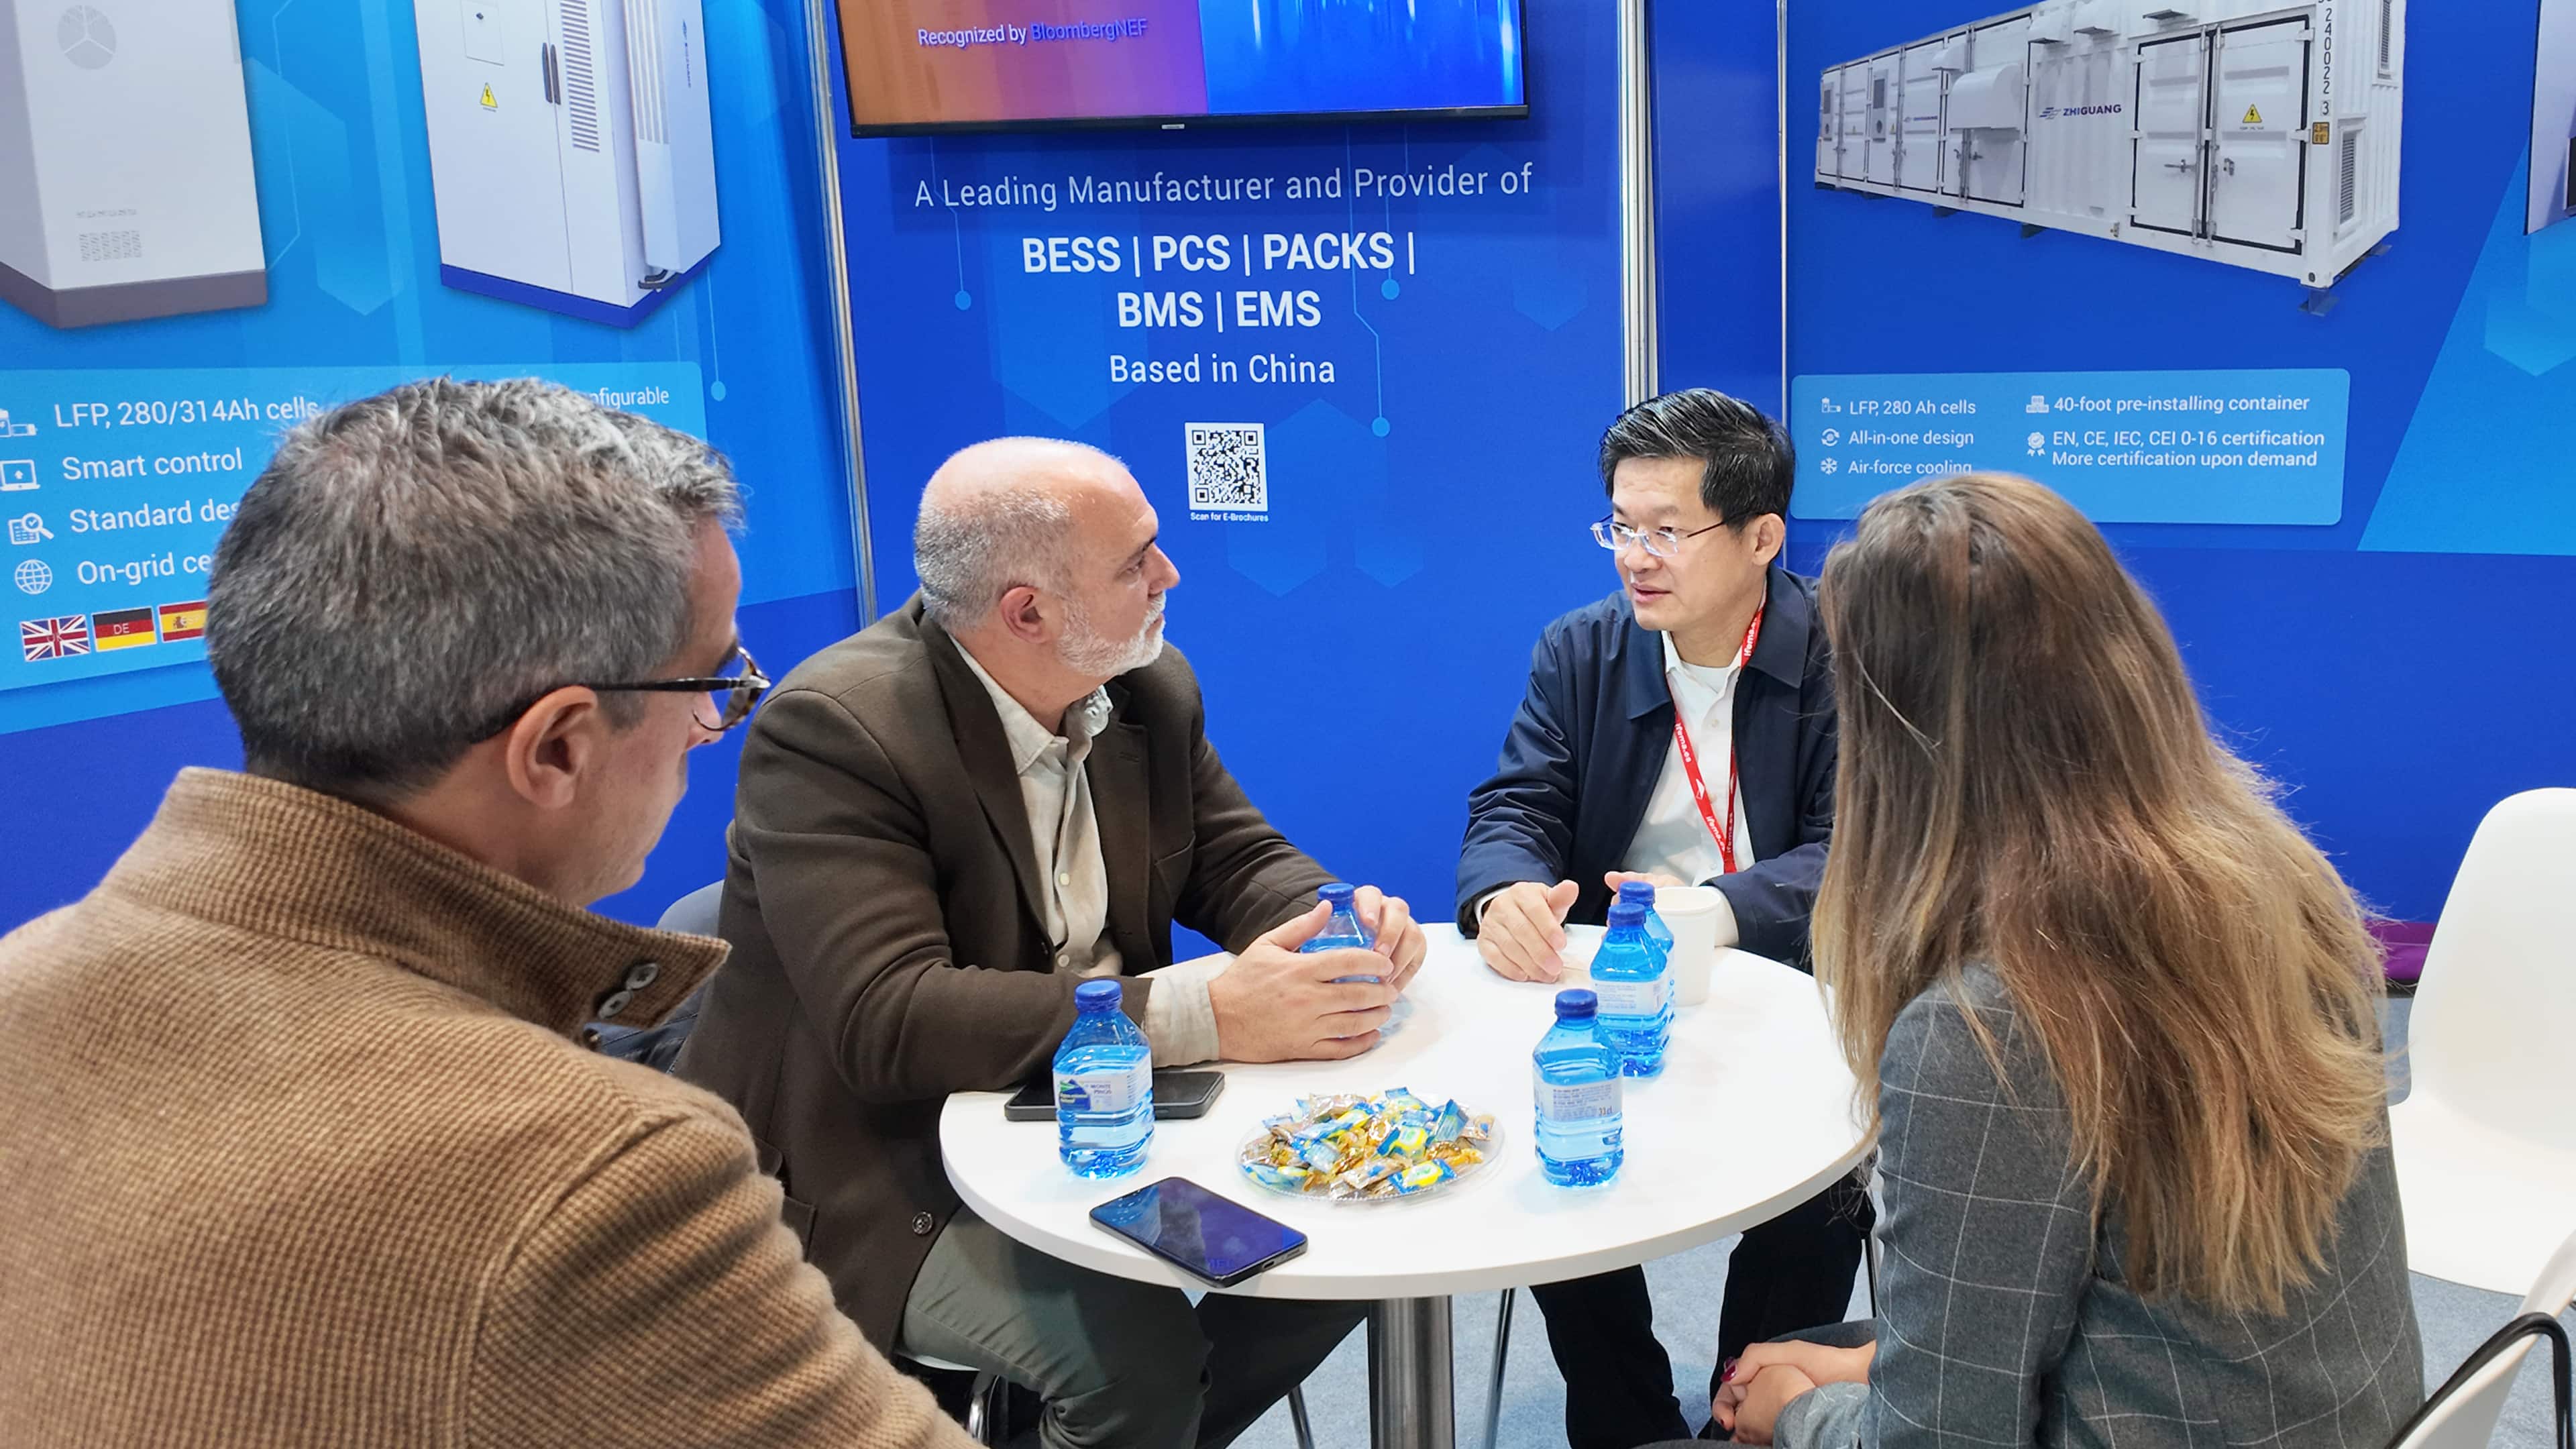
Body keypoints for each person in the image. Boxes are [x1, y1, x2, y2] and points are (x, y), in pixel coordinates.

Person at [0, 379, 975, 1447]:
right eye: (712, 680)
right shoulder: (596, 1172)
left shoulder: (22, 982)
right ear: (557, 747)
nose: (712, 725)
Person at [676, 437, 1426, 1449]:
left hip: (1112, 1116)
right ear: (1027, 613)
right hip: (885, 1167)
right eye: (1136, 562)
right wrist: (1205, 1014)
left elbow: (1234, 858)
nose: (1169, 575)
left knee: (1340, 1257)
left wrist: (1336, 922)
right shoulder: (839, 730)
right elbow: (891, 1020)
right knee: (1134, 1360)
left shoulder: (1141, 686)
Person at [1712, 473, 2420, 1449]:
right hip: (2331, 1412)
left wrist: (1800, 1411)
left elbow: (1938, 1443)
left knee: (1760, 1388)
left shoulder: (1985, 1031)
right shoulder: (2277, 875)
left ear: (1897, 733)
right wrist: (1874, 1368)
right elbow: (2107, 1276)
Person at [1456, 388, 1870, 1448]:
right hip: (1615, 986)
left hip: (1800, 986)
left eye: (1668, 532)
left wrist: (1719, 912)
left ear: (1761, 538)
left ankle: (1748, 1417)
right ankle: (1628, 1421)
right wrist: (1504, 891)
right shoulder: (1581, 651)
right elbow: (1516, 806)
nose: (1636, 559)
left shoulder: (1846, 652)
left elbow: (1862, 847)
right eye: (1621, 528)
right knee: (1554, 1166)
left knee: (1825, 1197)